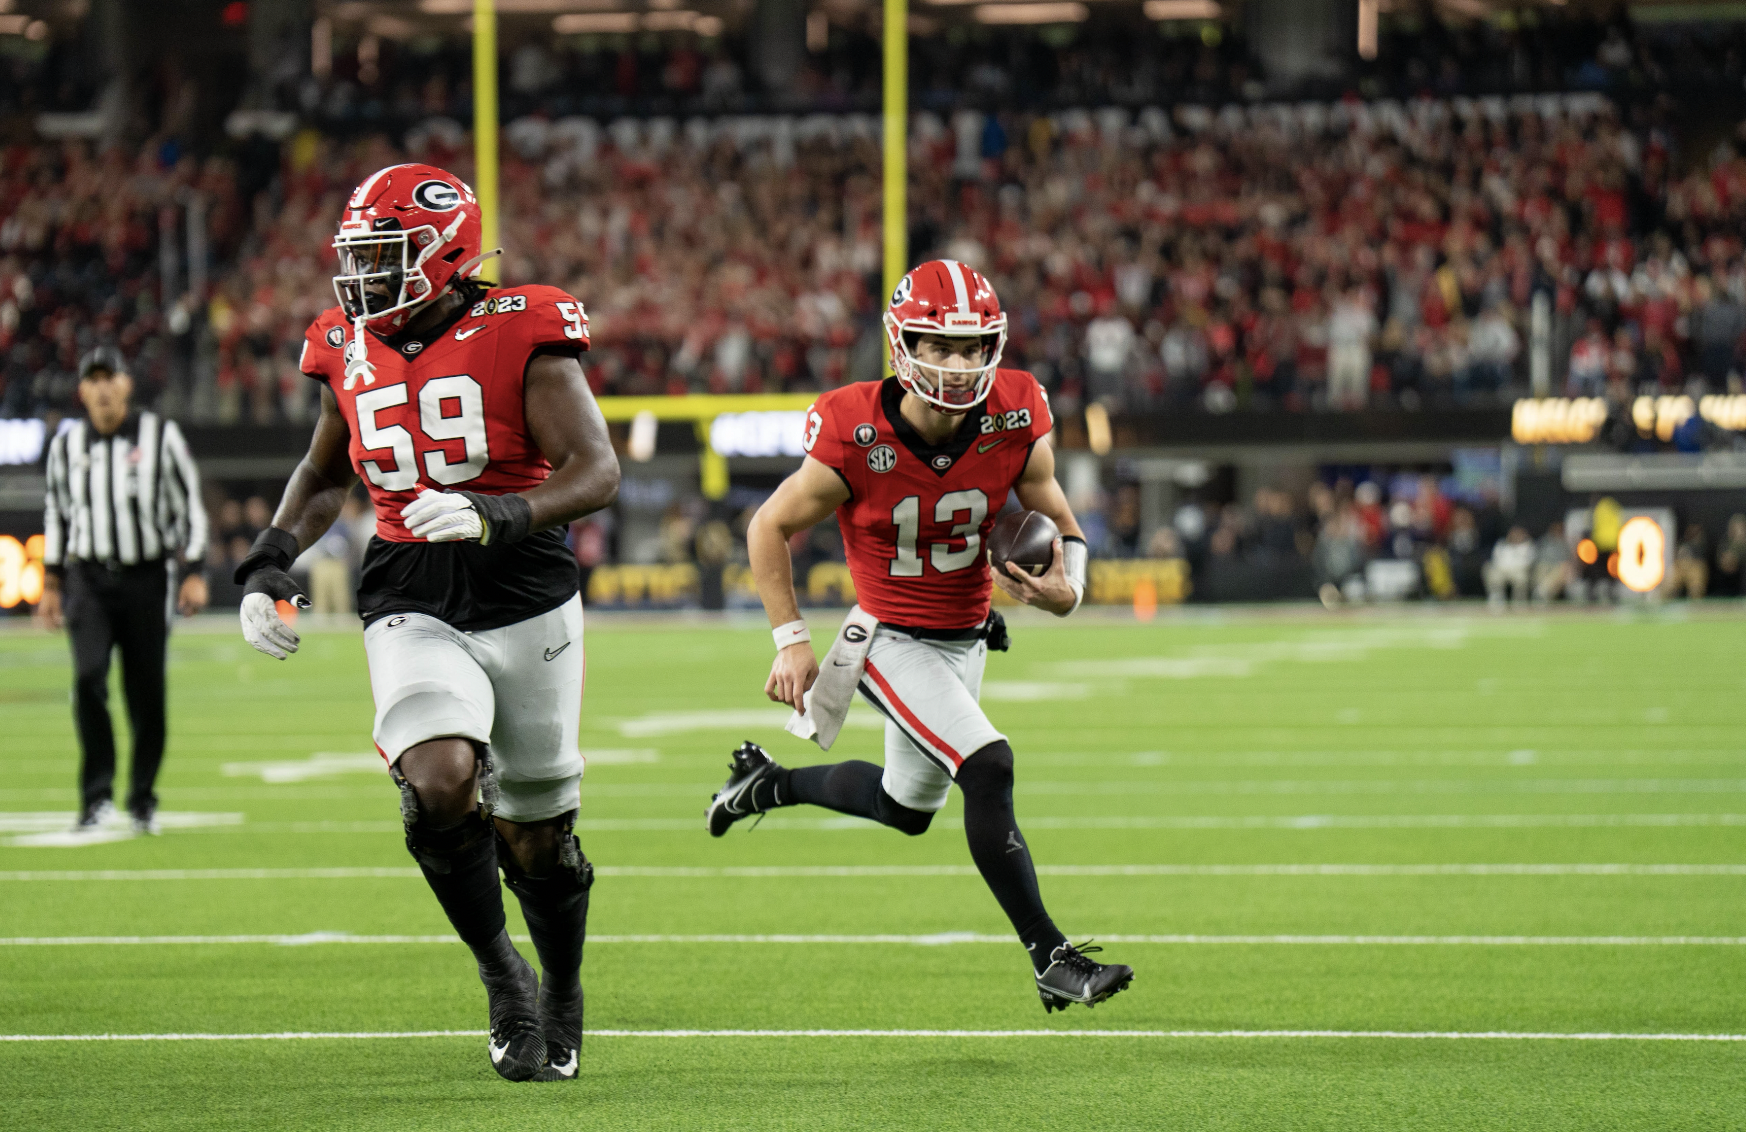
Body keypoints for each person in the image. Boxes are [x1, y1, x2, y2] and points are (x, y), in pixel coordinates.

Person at [231, 164, 620, 1083]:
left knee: (537, 835)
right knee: (440, 780)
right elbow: (328, 474)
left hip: (524, 584)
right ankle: (503, 977)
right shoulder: (344, 343)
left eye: (384, 254)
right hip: (409, 583)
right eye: (357, 257)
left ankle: (562, 982)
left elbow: (595, 469)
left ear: (444, 251)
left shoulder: (522, 326)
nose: (363, 277)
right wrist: (265, 562)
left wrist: (500, 514)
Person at [704, 260, 1133, 1012]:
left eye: (973, 348)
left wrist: (1070, 587)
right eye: (939, 345)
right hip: (888, 636)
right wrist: (790, 639)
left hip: (964, 636)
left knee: (906, 810)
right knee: (989, 765)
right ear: (902, 345)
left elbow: (1059, 519)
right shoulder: (852, 427)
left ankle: (764, 783)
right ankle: (1050, 954)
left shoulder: (1017, 410)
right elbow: (768, 524)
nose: (960, 364)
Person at [38, 346, 210, 834]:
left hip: (146, 578)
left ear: (126, 384)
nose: (103, 387)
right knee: (87, 679)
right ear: (83, 391)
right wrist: (51, 582)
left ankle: (141, 798)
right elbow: (57, 513)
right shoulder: (67, 445)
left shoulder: (160, 436)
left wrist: (194, 570)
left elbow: (189, 510)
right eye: (93, 379)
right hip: (88, 579)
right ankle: (95, 797)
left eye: (110, 376)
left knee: (145, 693)